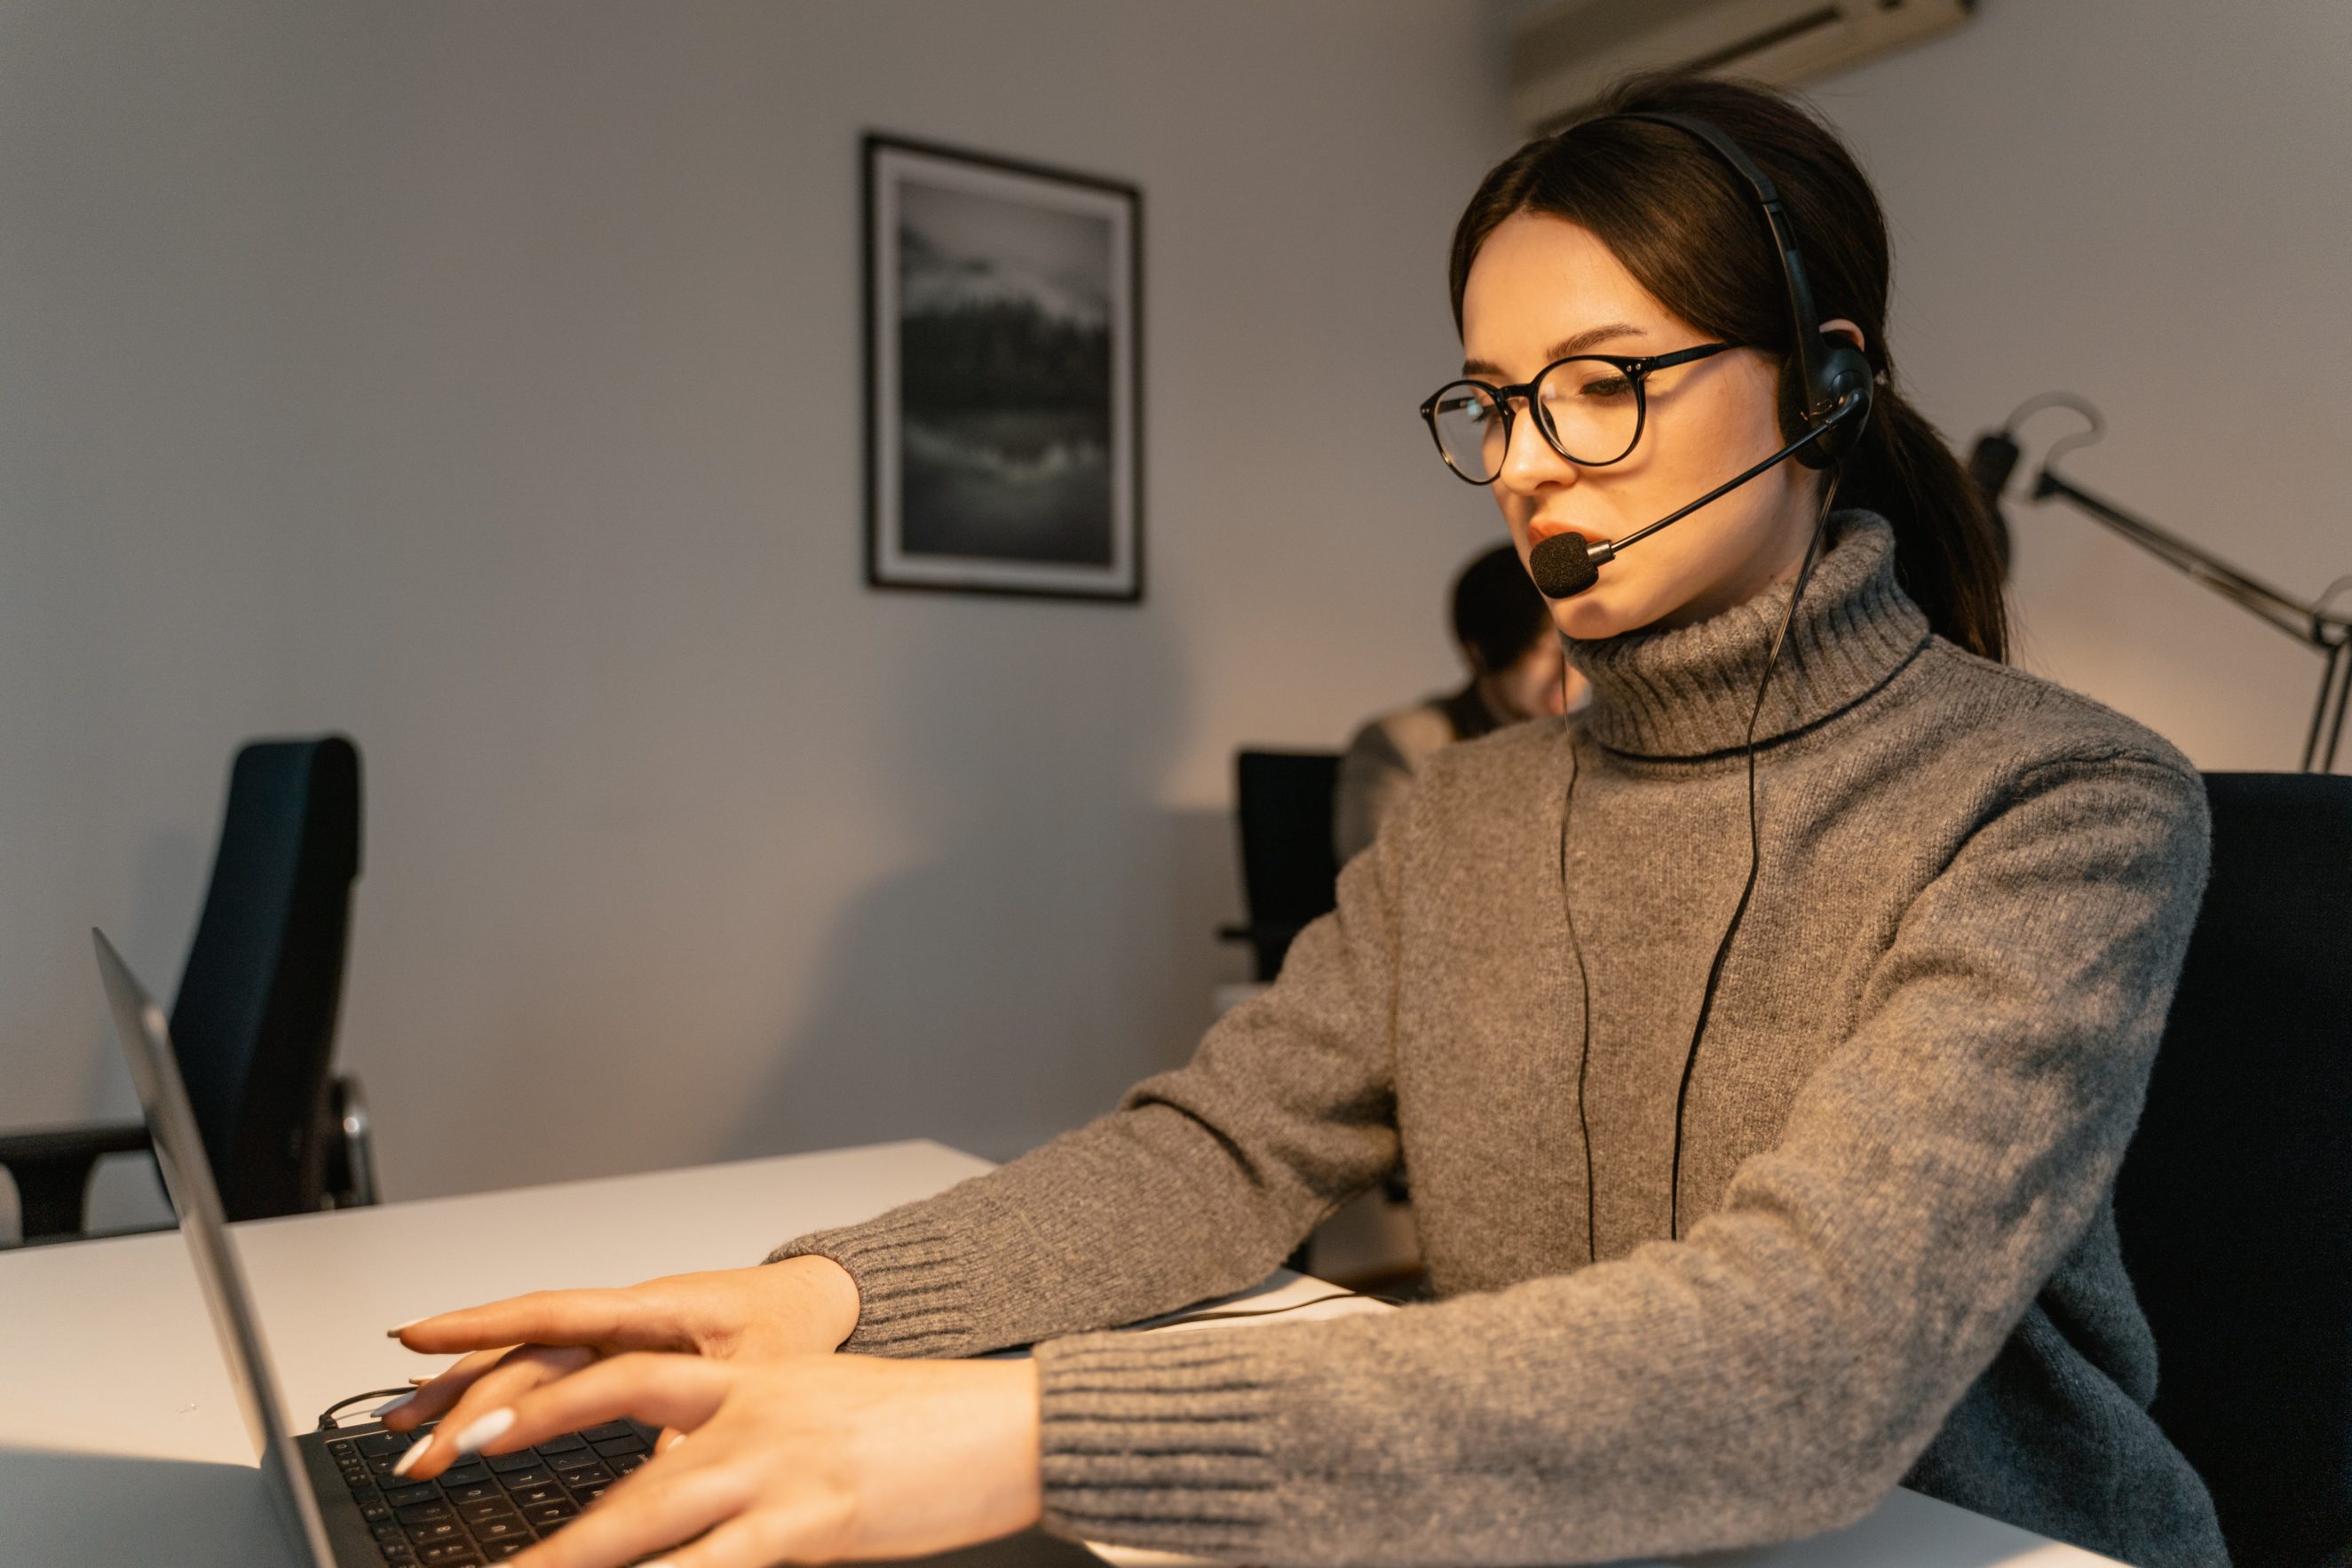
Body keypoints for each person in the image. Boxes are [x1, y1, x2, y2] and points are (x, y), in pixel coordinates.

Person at [377, 74, 2228, 1568]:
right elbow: (1216, 1152)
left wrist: (1035, 1435)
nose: (1521, 465)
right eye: (1494, 401)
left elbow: (1802, 1359)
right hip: (1549, 1525)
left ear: (1821, 386)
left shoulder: (2056, 803)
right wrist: (824, 1302)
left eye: (1601, 387)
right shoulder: (1468, 813)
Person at [1332, 542, 1583, 862]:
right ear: (1478, 653)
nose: (1568, 670)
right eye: (1543, 649)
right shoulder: (1406, 745)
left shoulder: (1595, 750)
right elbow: (1385, 884)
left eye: (1578, 644)